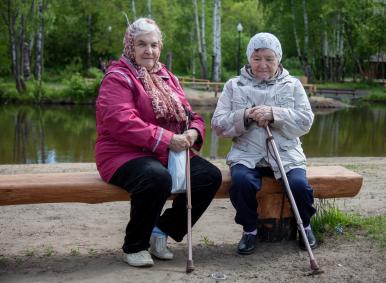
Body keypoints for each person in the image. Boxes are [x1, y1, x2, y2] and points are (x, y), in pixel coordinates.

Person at [95, 17, 222, 267]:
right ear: (130, 46)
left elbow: (190, 115)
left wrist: (194, 132)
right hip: (122, 153)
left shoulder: (166, 76)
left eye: (154, 45)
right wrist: (167, 139)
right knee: (156, 178)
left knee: (209, 177)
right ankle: (135, 245)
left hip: (165, 152)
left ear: (160, 47)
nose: (148, 51)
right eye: (141, 44)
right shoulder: (118, 77)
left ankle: (161, 231)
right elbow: (121, 120)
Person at [212, 32, 317, 255]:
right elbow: (218, 125)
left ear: (278, 59)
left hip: (286, 153)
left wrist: (275, 114)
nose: (263, 64)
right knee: (240, 183)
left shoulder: (292, 85)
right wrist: (246, 115)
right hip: (246, 154)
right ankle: (250, 230)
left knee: (299, 186)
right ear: (249, 58)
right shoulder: (234, 86)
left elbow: (305, 121)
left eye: (269, 58)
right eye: (257, 58)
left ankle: (305, 226)